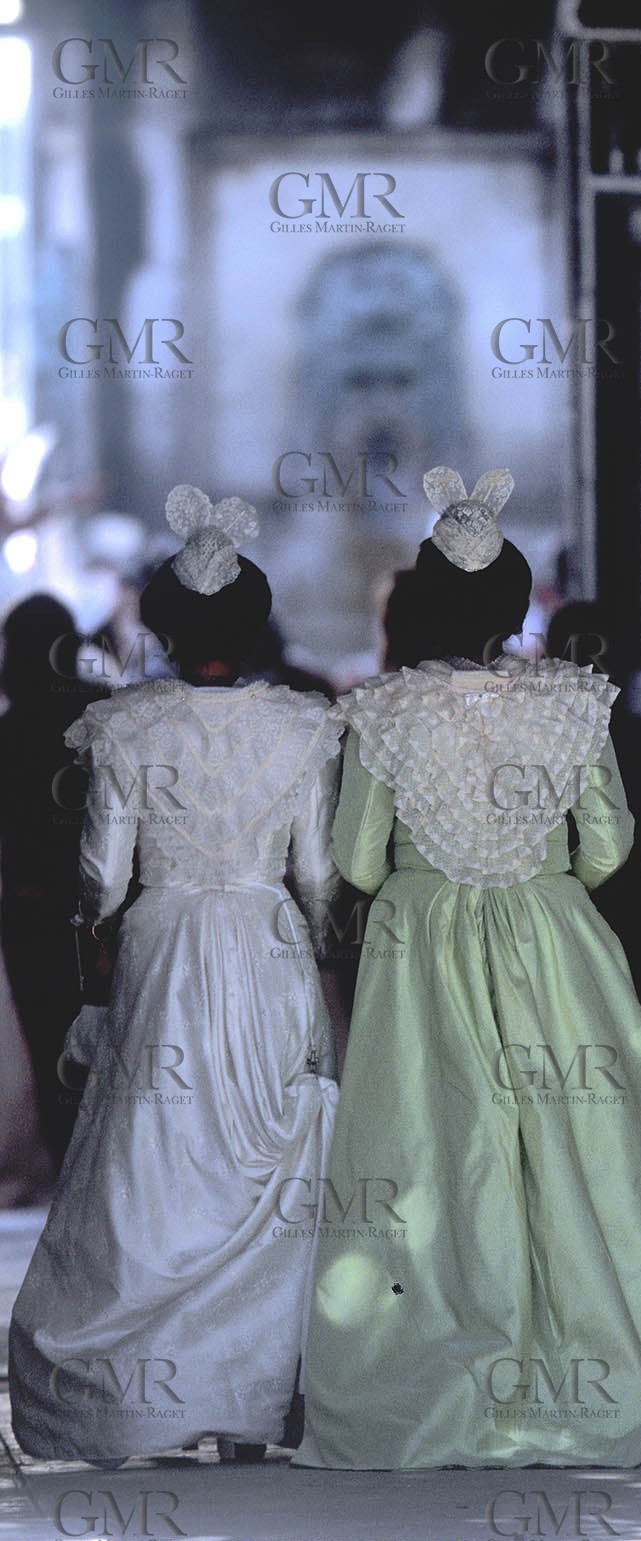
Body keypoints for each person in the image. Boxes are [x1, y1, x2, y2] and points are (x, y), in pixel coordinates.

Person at [294, 466, 641, 1471]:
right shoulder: (572, 701)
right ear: (514, 602)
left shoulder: (383, 714)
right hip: (552, 937)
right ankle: (627, 1367)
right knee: (591, 1153)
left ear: (425, 602)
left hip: (423, 948)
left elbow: (357, 860)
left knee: (439, 1148)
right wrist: (531, 871)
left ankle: (445, 1377)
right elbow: (608, 846)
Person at [8, 486, 341, 1464]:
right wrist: (316, 944)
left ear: (164, 622)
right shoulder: (300, 724)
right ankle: (254, 1393)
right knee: (262, 1162)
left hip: (162, 947)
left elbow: (102, 874)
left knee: (153, 1159)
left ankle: (148, 1395)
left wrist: (98, 935)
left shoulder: (129, 727)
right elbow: (317, 871)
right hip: (265, 940)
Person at [0, 596, 106, 1166]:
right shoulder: (102, 715)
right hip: (104, 915)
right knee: (115, 1054)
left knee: (52, 1054)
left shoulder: (8, 732)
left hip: (32, 916)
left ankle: (70, 1173)